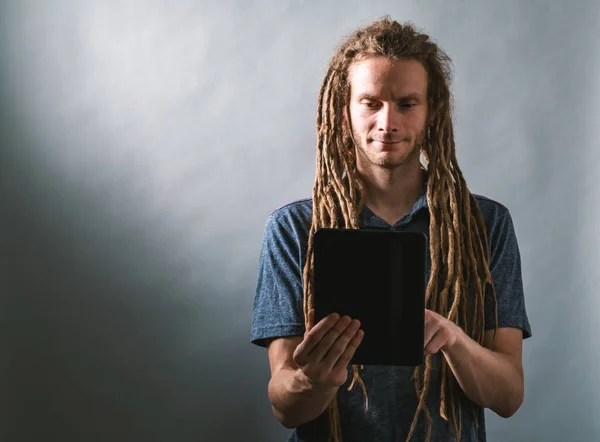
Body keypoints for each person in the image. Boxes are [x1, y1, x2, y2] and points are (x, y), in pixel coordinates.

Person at [250, 16, 532, 442]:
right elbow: (284, 406)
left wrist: (453, 338)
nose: (388, 122)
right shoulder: (294, 228)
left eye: (406, 103)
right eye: (370, 102)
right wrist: (317, 379)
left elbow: (509, 396)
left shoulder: (484, 225)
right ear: (342, 109)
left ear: (431, 110)